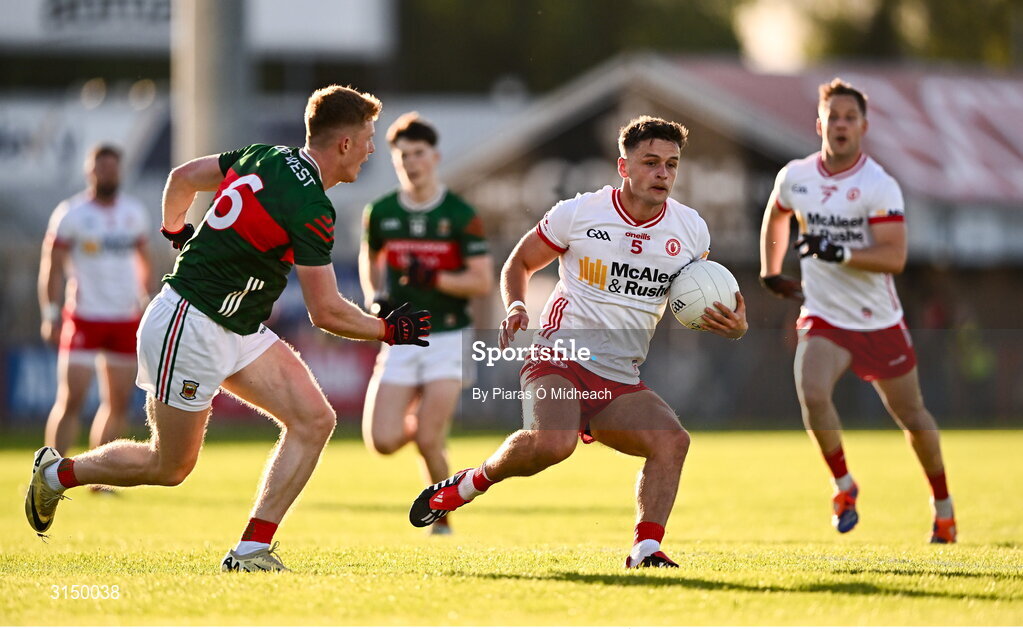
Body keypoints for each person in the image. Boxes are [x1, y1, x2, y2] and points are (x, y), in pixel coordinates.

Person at [25, 84, 432, 571]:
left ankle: (252, 550)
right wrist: (388, 330)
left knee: (314, 420)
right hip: (191, 321)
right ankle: (58, 472)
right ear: (343, 143)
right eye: (367, 138)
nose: (371, 149)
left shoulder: (265, 154)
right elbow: (325, 312)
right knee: (169, 465)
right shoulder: (311, 208)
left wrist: (177, 232)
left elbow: (183, 177)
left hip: (235, 325)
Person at [408, 116, 748, 567]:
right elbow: (518, 263)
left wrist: (733, 324)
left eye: (671, 164)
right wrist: (515, 306)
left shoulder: (690, 230)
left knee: (672, 442)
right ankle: (468, 485)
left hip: (619, 374)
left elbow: (699, 290)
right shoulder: (580, 212)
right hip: (558, 355)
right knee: (552, 444)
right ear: (623, 167)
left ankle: (645, 550)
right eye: (650, 162)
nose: (662, 173)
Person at [759, 77, 956, 543]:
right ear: (819, 123)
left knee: (912, 417)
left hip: (877, 321)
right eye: (834, 116)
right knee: (811, 390)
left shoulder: (877, 184)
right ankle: (844, 486)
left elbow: (895, 256)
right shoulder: (796, 176)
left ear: (864, 127)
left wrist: (839, 253)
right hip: (825, 317)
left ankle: (943, 506)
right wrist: (771, 268)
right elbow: (777, 211)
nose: (841, 124)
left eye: (850, 117)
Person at [360, 113, 493, 535]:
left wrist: (432, 277)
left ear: (434, 157)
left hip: (448, 336)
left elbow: (482, 280)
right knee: (381, 441)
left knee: (429, 441)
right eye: (403, 156)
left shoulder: (459, 214)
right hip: (402, 337)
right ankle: (425, 423)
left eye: (418, 154)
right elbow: (371, 258)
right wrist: (373, 295)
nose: (411, 163)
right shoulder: (380, 211)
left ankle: (442, 521)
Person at [38, 144, 155, 478]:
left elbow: (144, 261)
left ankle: (98, 477)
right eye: (101, 168)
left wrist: (145, 299)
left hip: (124, 318)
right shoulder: (71, 214)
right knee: (71, 400)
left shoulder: (133, 213)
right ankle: (47, 473)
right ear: (90, 171)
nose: (107, 173)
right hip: (84, 317)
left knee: (117, 403)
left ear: (120, 171)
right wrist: (50, 312)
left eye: (112, 168)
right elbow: (53, 266)